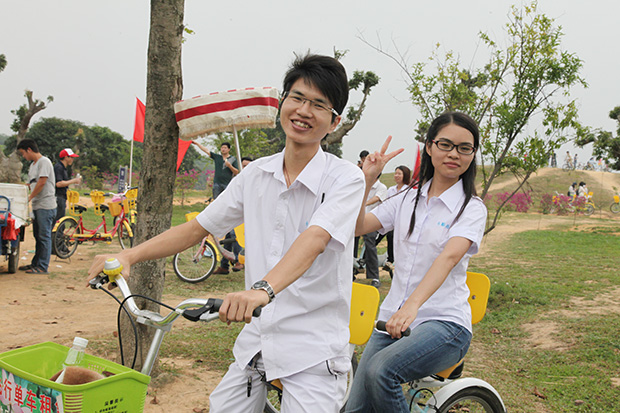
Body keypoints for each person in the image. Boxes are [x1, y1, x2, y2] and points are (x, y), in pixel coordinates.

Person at [88, 53, 365, 413]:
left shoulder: (345, 178)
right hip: (259, 340)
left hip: (313, 349)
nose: (303, 111)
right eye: (296, 98)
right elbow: (196, 227)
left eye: (318, 105)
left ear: (334, 120)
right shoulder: (254, 175)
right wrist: (128, 255)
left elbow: (315, 239)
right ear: (282, 103)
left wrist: (261, 291)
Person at [346, 112, 487, 412]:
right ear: (429, 147)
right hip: (393, 320)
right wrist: (368, 179)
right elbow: (358, 227)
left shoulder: (472, 208)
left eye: (465, 148)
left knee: (381, 371)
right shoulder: (407, 198)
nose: (454, 154)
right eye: (446, 144)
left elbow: (449, 257)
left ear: (473, 154)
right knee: (356, 409)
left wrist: (412, 305)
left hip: (445, 323)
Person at [191, 140, 242, 273]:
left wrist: (229, 166)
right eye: (221, 147)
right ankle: (225, 265)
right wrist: (197, 145)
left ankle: (235, 260)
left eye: (225, 147)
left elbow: (237, 172)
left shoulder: (233, 159)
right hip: (217, 185)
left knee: (231, 231)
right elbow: (207, 151)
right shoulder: (217, 157)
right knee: (218, 209)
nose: (223, 149)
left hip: (227, 185)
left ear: (229, 149)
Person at [16, 139, 57, 274]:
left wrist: (29, 197)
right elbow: (31, 184)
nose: (24, 157)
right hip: (37, 206)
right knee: (37, 236)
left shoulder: (44, 162)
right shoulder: (33, 165)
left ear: (29, 150)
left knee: (44, 236)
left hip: (46, 205)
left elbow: (42, 182)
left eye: (23, 153)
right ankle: (36, 263)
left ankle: (42, 266)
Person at [376, 165, 411, 269]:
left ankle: (391, 260)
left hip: (401, 220)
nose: (396, 176)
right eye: (395, 173)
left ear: (405, 175)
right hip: (389, 219)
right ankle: (365, 259)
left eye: (399, 174)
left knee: (392, 237)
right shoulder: (391, 190)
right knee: (376, 238)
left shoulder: (408, 190)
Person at [361, 173, 388, 288]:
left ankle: (374, 277)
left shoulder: (381, 187)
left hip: (372, 222)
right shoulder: (362, 185)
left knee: (370, 245)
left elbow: (376, 199)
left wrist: (362, 204)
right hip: (358, 220)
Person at [53, 148, 82, 222]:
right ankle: (57, 234)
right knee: (58, 221)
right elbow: (58, 184)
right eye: (71, 157)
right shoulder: (59, 167)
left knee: (60, 219)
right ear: (66, 157)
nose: (73, 159)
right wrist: (74, 181)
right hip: (58, 197)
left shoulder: (64, 168)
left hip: (62, 196)